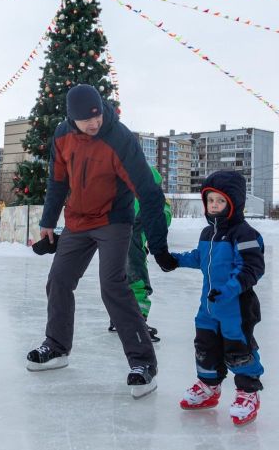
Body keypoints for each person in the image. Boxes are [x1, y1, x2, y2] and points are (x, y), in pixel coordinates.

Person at [25, 84, 169, 400]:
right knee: (59, 280)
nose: (94, 123)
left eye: (98, 116)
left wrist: (158, 244)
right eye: (86, 120)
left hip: (114, 220)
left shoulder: (119, 138)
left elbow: (147, 189)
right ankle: (57, 347)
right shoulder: (62, 136)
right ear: (71, 119)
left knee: (113, 286)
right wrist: (49, 220)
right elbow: (57, 180)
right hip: (78, 220)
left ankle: (144, 364)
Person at [154, 170, 265, 427]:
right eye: (210, 200)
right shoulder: (207, 233)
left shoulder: (245, 233)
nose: (214, 206)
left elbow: (252, 268)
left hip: (235, 306)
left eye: (220, 201)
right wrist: (175, 261)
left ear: (233, 203)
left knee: (239, 349)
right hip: (208, 306)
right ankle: (208, 387)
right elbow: (199, 257)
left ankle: (248, 392)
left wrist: (229, 289)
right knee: (205, 346)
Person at [108, 166, 172, 342]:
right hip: (131, 248)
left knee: (120, 282)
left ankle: (119, 318)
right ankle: (137, 321)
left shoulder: (124, 196)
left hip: (117, 247)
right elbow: (164, 220)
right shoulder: (151, 200)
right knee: (137, 282)